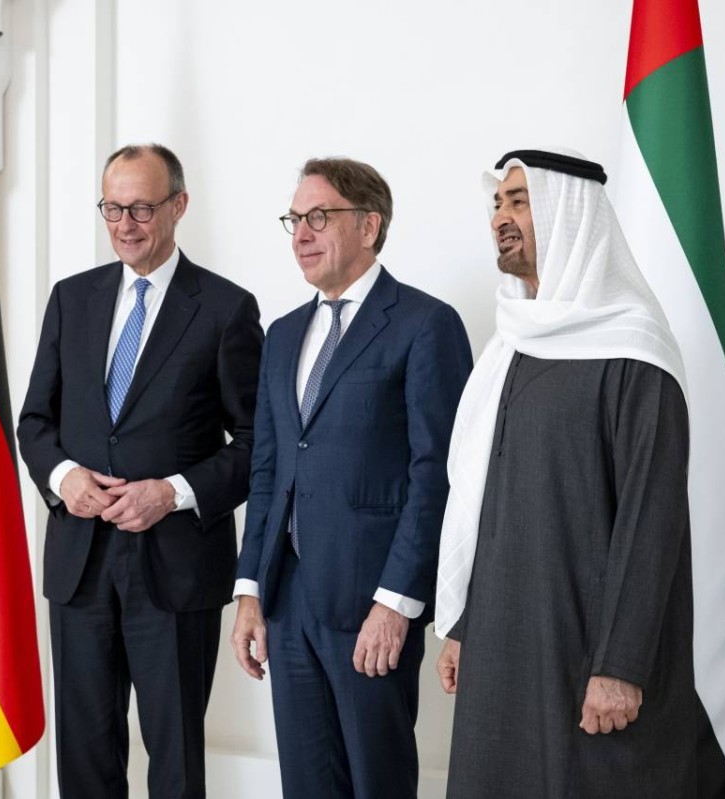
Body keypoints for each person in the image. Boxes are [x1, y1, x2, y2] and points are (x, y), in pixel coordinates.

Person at [434, 149, 696, 798]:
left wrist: (621, 664)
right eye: (498, 203)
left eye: (520, 201)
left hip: (586, 651)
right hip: (501, 638)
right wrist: (463, 625)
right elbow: (482, 506)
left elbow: (651, 520)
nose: (501, 217)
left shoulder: (635, 353)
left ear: (569, 216)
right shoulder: (510, 346)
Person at [17, 143, 262, 798]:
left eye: (142, 208)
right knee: (85, 755)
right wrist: (64, 477)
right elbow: (34, 422)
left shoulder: (226, 308)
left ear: (179, 206)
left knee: (174, 756)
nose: (125, 224)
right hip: (80, 562)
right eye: (113, 208)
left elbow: (256, 443)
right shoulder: (72, 299)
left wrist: (173, 493)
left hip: (175, 567)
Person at [230, 157, 473, 798]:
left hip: (371, 603)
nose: (301, 234)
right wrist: (251, 590)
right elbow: (267, 470)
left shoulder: (426, 324)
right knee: (307, 785)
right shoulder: (283, 334)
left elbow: (437, 475)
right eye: (294, 220)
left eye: (318, 217)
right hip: (288, 605)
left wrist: (396, 603)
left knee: (376, 782)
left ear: (369, 225)